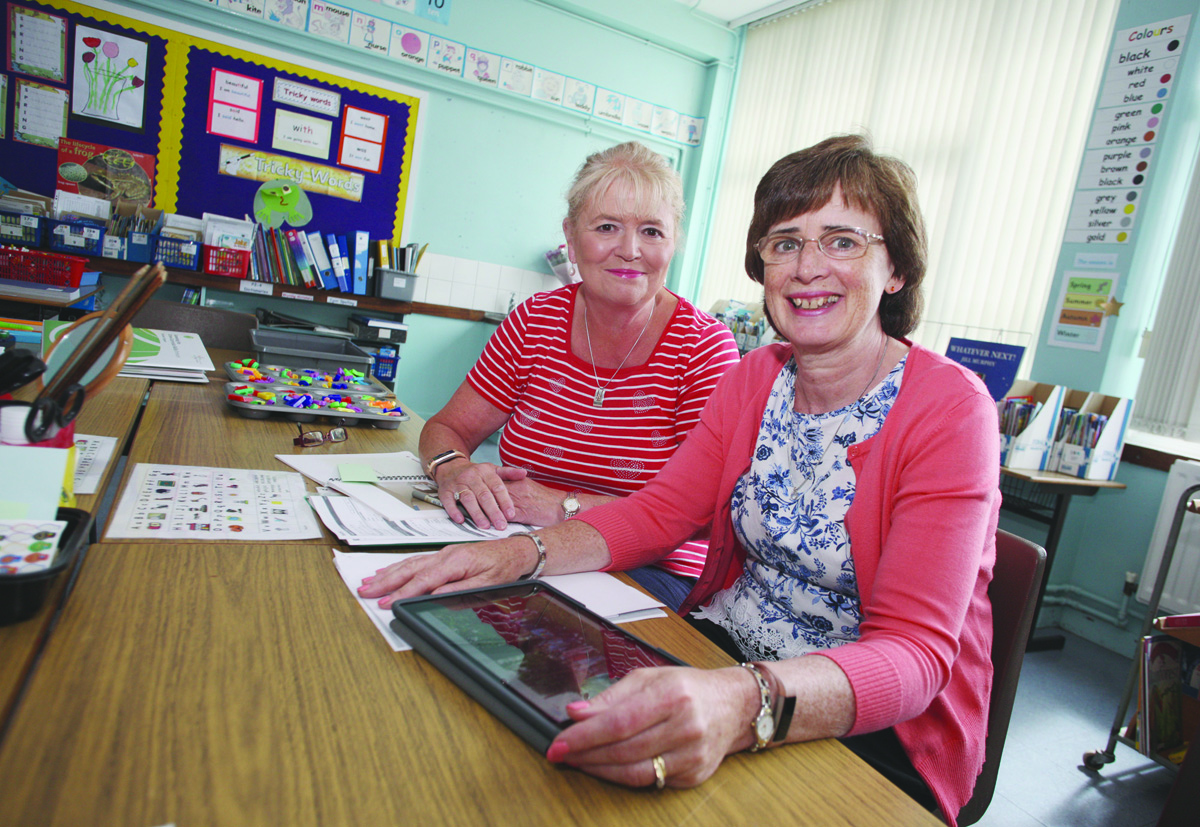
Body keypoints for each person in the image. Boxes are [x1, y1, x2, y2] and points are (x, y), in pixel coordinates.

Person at [361, 135, 1000, 826]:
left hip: (867, 720)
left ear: (896, 268)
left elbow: (913, 654)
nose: (807, 267)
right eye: (784, 242)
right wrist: (510, 556)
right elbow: (659, 514)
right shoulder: (759, 376)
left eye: (842, 241)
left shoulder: (951, 408)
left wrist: (742, 700)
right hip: (721, 652)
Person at [415, 141, 740, 610]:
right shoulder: (535, 321)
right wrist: (453, 468)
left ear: (675, 242)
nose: (630, 250)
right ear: (570, 234)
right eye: (607, 227)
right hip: (523, 542)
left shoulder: (702, 348)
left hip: (651, 569)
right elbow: (447, 428)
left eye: (651, 231)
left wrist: (562, 507)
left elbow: (709, 514)